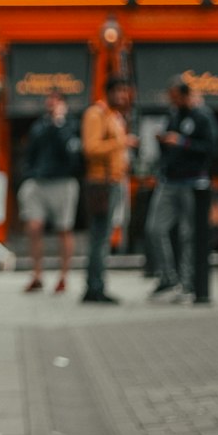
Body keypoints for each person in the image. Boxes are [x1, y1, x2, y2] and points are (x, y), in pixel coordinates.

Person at [146, 77, 218, 303]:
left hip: (193, 183)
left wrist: (182, 142)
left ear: (186, 95)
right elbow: (168, 146)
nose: (172, 101)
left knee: (189, 235)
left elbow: (211, 148)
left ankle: (188, 285)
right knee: (154, 228)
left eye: (176, 97)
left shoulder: (203, 116)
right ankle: (168, 277)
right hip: (169, 180)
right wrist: (162, 141)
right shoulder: (174, 115)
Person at [17, 92, 82, 294]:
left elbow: (71, 152)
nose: (51, 106)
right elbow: (31, 151)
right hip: (38, 181)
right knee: (33, 226)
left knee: (64, 229)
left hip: (63, 181)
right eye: (49, 102)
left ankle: (63, 276)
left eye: (55, 102)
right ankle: (37, 274)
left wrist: (59, 124)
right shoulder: (39, 126)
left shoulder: (71, 125)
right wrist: (28, 174)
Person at [80, 75, 137, 304]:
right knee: (100, 237)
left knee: (103, 236)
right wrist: (122, 142)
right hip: (100, 183)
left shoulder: (114, 116)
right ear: (109, 91)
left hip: (113, 181)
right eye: (120, 91)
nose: (124, 97)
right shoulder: (96, 114)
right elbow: (91, 148)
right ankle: (95, 287)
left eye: (126, 92)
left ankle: (96, 285)